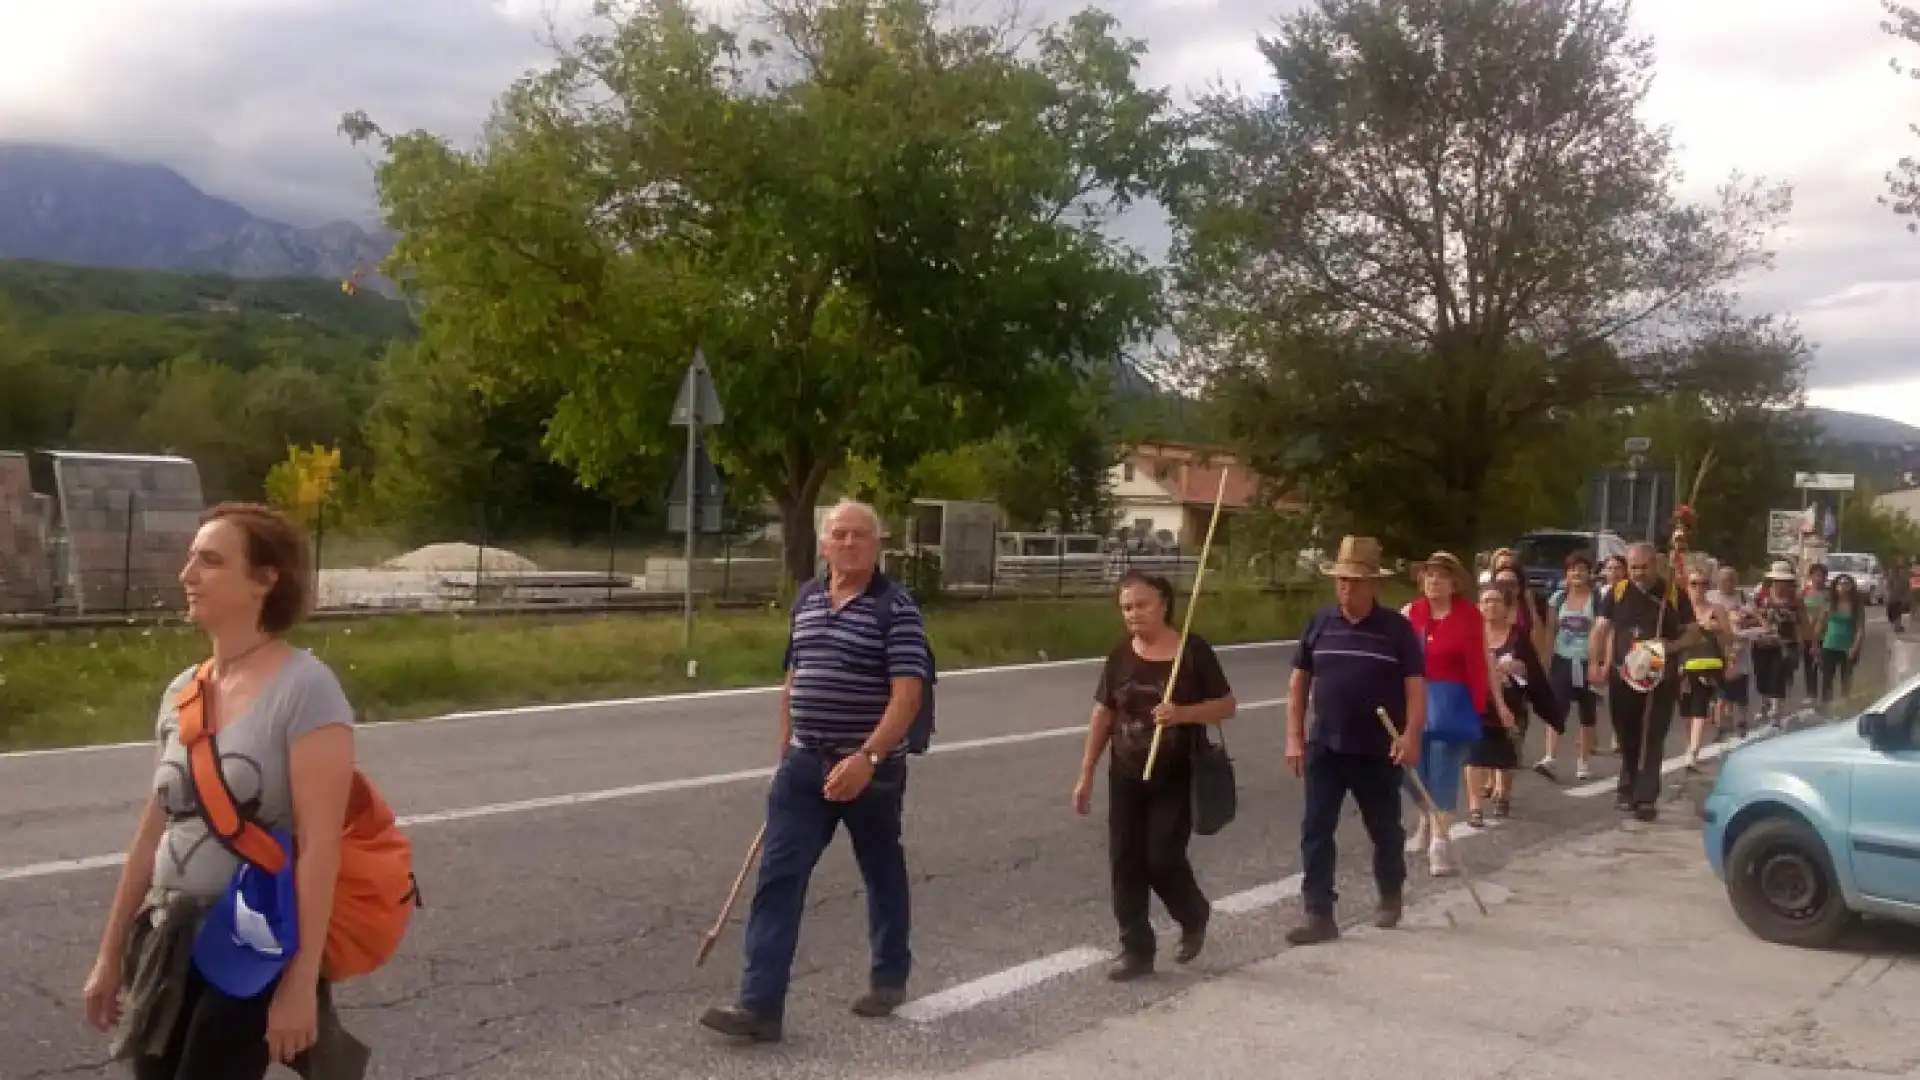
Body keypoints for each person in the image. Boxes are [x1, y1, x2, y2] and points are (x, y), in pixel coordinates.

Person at [83, 503, 368, 1080]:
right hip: (164, 934)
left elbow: (319, 849)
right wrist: (110, 954)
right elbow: (152, 828)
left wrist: (298, 985)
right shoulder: (183, 690)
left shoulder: (306, 689)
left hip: (248, 937)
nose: (188, 574)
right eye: (191, 558)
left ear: (266, 579)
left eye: (210, 561)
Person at [700, 500, 932, 1043]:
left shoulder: (895, 607)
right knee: (778, 879)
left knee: (880, 869)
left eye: (860, 535)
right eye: (839, 534)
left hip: (870, 771)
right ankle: (760, 1008)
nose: (848, 543)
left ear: (878, 546)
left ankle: (889, 975)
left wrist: (867, 758)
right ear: (824, 544)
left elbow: (908, 695)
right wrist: (786, 751)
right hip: (804, 766)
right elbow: (794, 677)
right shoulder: (806, 599)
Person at [1072, 571, 1236, 981]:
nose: (1133, 614)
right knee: (1125, 861)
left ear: (1163, 604)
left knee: (1161, 857)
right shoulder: (1120, 655)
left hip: (1177, 773)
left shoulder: (1192, 652)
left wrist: (1183, 713)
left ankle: (1192, 913)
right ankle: (1135, 949)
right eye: (1126, 607)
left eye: (1141, 605)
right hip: (1127, 772)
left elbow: (1227, 706)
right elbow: (1103, 713)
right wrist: (1086, 772)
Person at [1285, 536, 1425, 945]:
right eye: (1342, 580)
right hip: (1326, 744)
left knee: (1384, 829)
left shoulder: (1396, 630)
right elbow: (1298, 682)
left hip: (1379, 748)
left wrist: (1412, 735)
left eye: (1356, 581)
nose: (1347, 588)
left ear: (1374, 586)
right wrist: (1294, 735)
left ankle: (1390, 893)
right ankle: (1318, 912)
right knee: (1316, 827)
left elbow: (1416, 687)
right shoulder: (1320, 623)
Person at [1588, 542, 1702, 822]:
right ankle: (1626, 786)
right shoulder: (1617, 592)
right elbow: (1600, 629)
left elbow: (1694, 634)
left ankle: (1646, 797)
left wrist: (1669, 646)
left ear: (1655, 565)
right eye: (1634, 567)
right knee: (1626, 733)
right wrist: (1595, 663)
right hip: (1622, 674)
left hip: (1660, 677)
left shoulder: (1673, 593)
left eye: (1644, 567)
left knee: (1653, 735)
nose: (1639, 573)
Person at [1400, 552, 1491, 877]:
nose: (1433, 581)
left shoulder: (1469, 617)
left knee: (1443, 770)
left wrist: (1479, 706)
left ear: (1454, 584)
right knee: (1412, 771)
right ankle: (1426, 818)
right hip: (1415, 700)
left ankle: (1440, 842)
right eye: (1429, 575)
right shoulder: (1411, 613)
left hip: (1452, 702)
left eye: (1440, 576)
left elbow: (1478, 664)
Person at [1466, 583, 1559, 827]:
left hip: (1511, 704)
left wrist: (1518, 668)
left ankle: (1503, 795)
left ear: (1507, 608)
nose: (1490, 606)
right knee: (1473, 755)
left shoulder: (1518, 637)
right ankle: (1474, 806)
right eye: (1485, 601)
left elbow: (1533, 672)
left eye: (1495, 601)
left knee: (1505, 756)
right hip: (1476, 705)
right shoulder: (1471, 635)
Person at [1537, 551, 1600, 781]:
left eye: (1582, 569)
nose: (1577, 573)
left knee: (1587, 712)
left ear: (1589, 573)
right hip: (1562, 658)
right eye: (1573, 569)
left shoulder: (1597, 598)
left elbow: (1602, 631)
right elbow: (1551, 630)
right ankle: (1549, 757)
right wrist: (1546, 660)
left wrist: (1599, 662)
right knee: (1556, 708)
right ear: (1566, 573)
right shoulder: (1558, 599)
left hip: (1587, 660)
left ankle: (1583, 762)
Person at [1680, 568, 1735, 771]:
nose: (1699, 588)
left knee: (1699, 707)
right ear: (1687, 586)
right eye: (1694, 583)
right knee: (1686, 711)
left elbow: (1729, 637)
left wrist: (1717, 628)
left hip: (1709, 663)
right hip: (1685, 664)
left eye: (1703, 584)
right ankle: (1691, 744)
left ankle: (1693, 751)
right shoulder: (1680, 611)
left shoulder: (1717, 609)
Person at [1749, 561, 1809, 729]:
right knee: (1762, 676)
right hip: (1762, 642)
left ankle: (1776, 711)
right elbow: (1750, 615)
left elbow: (1803, 622)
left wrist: (1805, 641)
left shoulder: (1796, 600)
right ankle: (1765, 703)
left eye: (1785, 581)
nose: (1781, 585)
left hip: (1786, 644)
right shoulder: (1760, 597)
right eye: (1778, 581)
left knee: (1780, 676)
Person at [1706, 566, 1753, 739]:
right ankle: (1721, 726)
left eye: (1731, 579)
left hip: (1739, 651)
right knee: (1720, 692)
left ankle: (1741, 722)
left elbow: (1754, 618)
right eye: (1724, 579)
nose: (1727, 583)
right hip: (1716, 651)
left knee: (1740, 692)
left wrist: (1743, 621)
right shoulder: (1710, 597)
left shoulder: (1743, 597)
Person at [1816, 574, 1866, 706]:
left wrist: (1856, 646)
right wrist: (1815, 644)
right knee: (1827, 678)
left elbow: (1860, 628)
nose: (1843, 587)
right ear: (1835, 586)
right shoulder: (1830, 603)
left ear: (1852, 586)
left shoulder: (1856, 606)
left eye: (1846, 583)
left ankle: (1845, 704)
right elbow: (1820, 624)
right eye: (1840, 583)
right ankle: (1826, 705)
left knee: (1846, 677)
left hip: (1847, 646)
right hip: (1829, 645)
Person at [1800, 563, 1831, 703]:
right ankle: (1811, 694)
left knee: (1825, 666)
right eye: (1816, 575)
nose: (1819, 578)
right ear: (1810, 576)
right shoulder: (1804, 593)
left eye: (1821, 575)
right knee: (1809, 665)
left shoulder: (1829, 594)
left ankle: (1826, 696)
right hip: (1807, 634)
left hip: (1825, 635)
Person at [1888, 557, 1911, 633]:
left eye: (1901, 561)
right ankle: (1897, 625)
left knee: (1899, 610)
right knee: (1894, 610)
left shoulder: (1906, 572)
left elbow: (1908, 584)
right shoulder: (1893, 571)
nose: (1900, 562)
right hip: (1894, 595)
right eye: (1899, 561)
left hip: (1901, 595)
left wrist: (1907, 594)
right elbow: (1890, 583)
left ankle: (1898, 626)